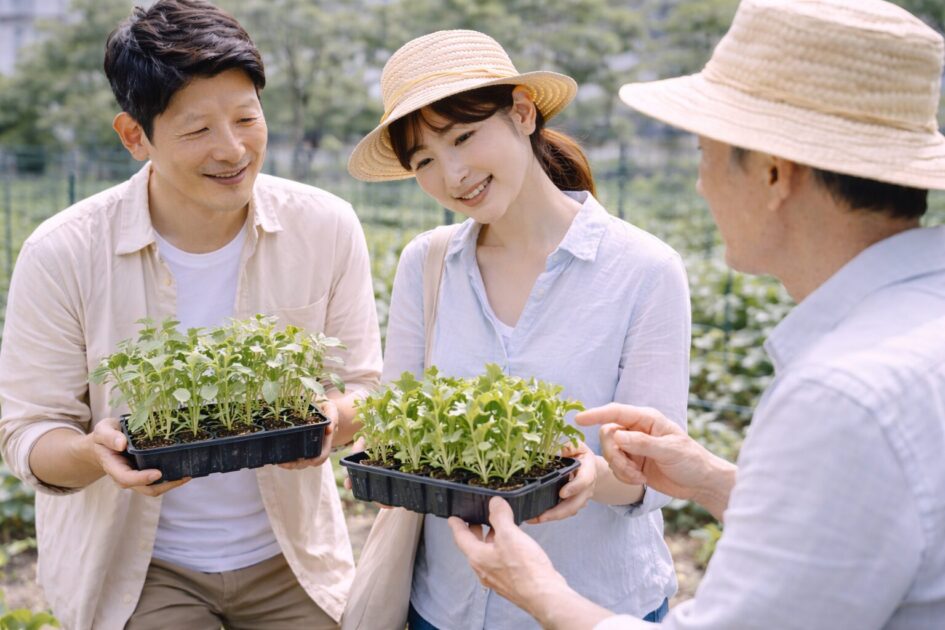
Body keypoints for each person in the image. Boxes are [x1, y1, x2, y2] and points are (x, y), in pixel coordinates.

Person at [446, 0, 945, 628]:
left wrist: (537, 590)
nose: (702, 183)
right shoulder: (919, 327)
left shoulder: (841, 396)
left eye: (707, 150)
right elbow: (855, 535)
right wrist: (710, 479)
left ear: (771, 174)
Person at [0, 1, 381, 628]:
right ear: (134, 136)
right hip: (138, 572)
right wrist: (96, 455)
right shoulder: (63, 251)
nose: (231, 149)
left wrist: (330, 420)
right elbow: (28, 434)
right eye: (197, 130)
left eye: (245, 118)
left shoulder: (325, 226)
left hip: (294, 561)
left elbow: (366, 385)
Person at [347, 30, 691, 629]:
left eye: (463, 136)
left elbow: (655, 478)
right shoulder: (425, 265)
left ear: (522, 114)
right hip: (446, 604)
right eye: (425, 160)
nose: (452, 174)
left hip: (596, 605)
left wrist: (592, 478)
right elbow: (395, 419)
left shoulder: (643, 269)